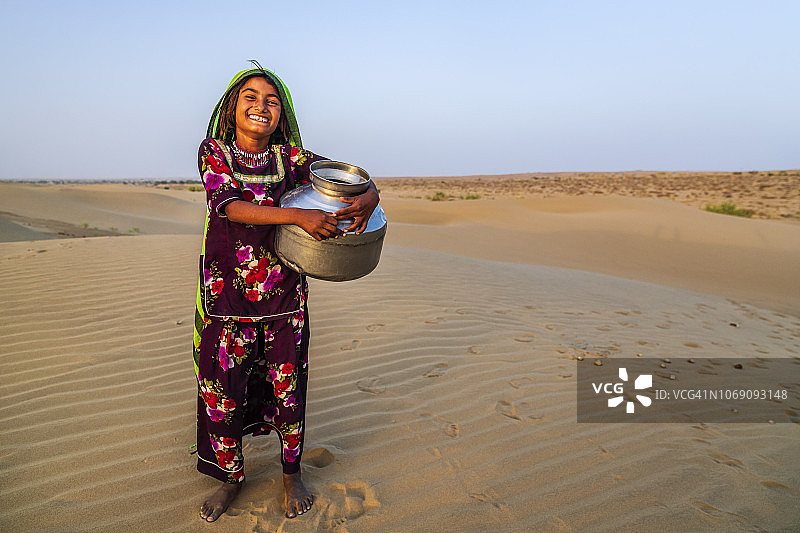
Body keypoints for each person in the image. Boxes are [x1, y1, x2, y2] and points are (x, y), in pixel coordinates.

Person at [192, 65, 380, 522]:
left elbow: (347, 178)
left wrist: (372, 194)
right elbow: (229, 207)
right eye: (250, 97)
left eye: (272, 99)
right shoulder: (214, 151)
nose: (261, 105)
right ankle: (229, 477)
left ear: (282, 112)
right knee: (223, 390)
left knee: (288, 388)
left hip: (284, 294)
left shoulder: (290, 158)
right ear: (231, 108)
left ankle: (291, 473)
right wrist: (296, 218)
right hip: (226, 295)